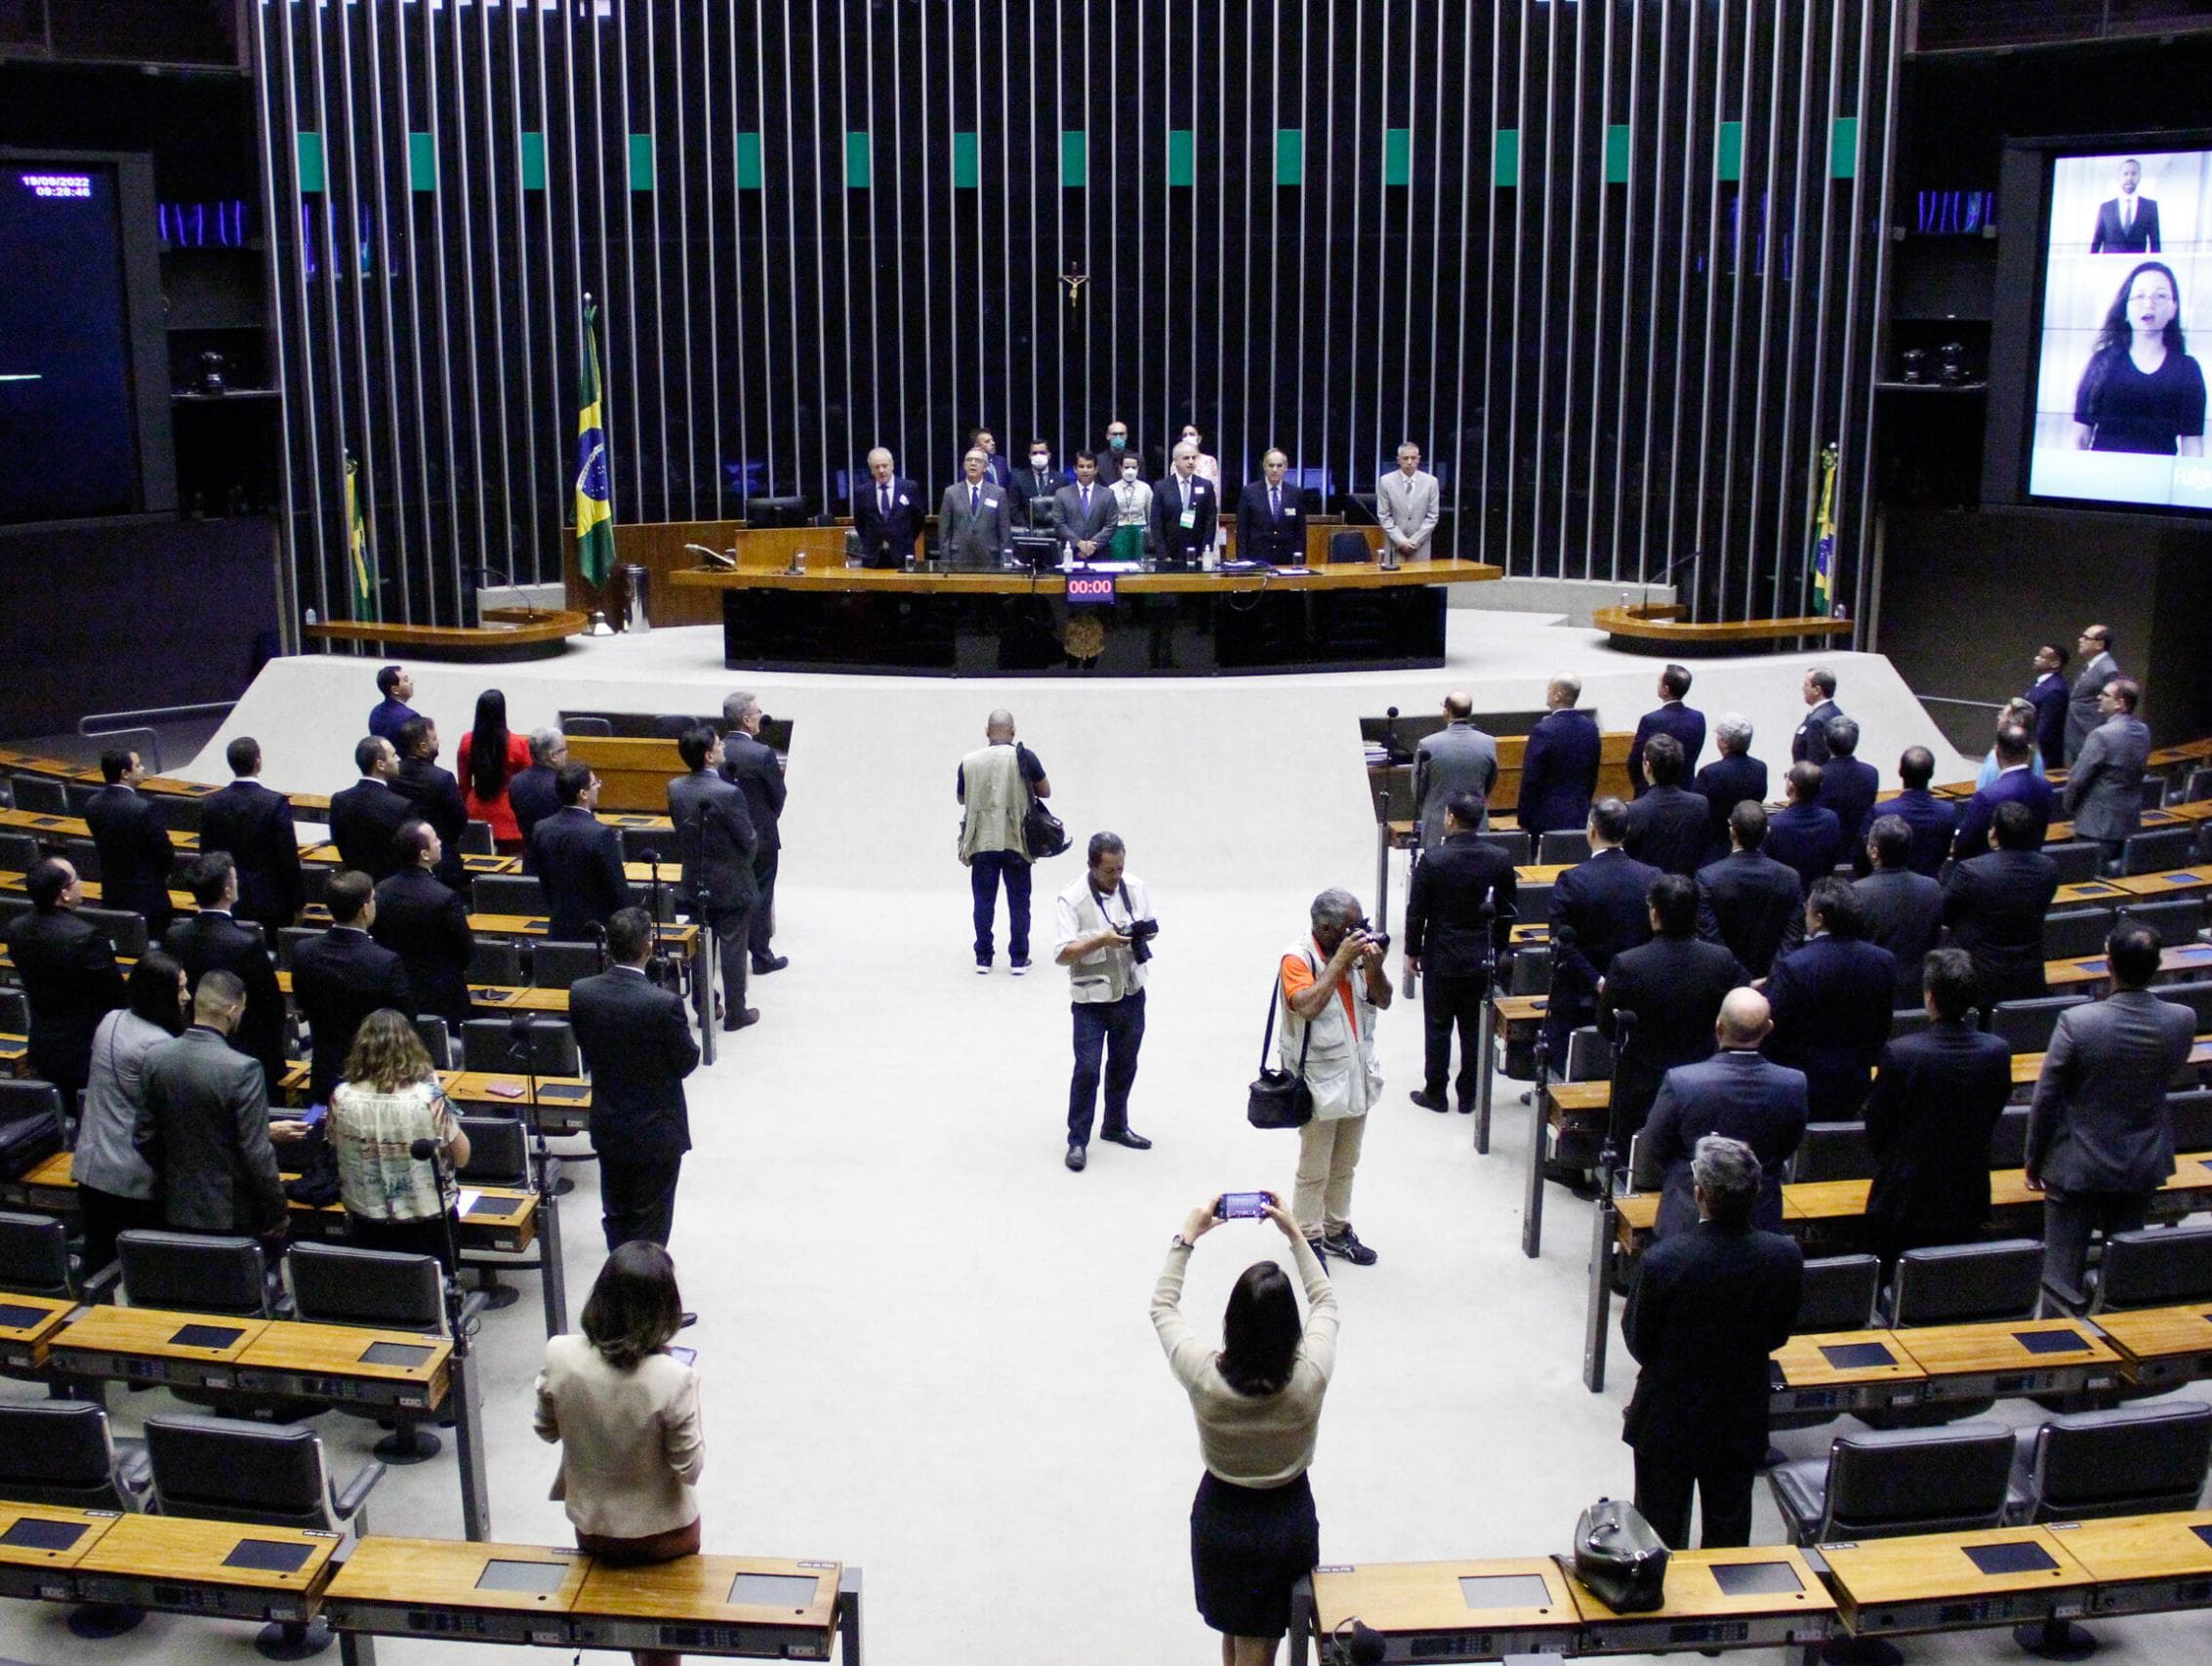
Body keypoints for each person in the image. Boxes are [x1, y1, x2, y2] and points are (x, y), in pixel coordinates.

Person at [1151, 1194, 1335, 1664]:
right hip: (1282, 1521)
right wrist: (1296, 1233)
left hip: (1221, 1518)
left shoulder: (1204, 1376)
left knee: (1237, 1636)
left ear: (1232, 1323)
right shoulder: (1310, 1374)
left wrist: (1186, 1237)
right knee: (1257, 1645)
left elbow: (1163, 1308)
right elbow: (1325, 1300)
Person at [1620, 1135, 1802, 1551]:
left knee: (1658, 1534)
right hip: (1739, 1411)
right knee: (1730, 1532)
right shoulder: (1783, 1256)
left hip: (1668, 1414)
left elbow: (1638, 1339)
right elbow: (1778, 1333)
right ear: (1756, 1194)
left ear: (1699, 1194)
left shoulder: (1663, 1260)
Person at [534, 1241, 704, 1666]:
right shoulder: (674, 1378)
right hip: (665, 1535)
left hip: (594, 1529)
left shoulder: (561, 1354)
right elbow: (690, 1467)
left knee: (633, 1618)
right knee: (661, 1639)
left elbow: (545, 1429)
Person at [2028, 922, 2197, 1302]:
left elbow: (2046, 1099)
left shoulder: (2078, 1022)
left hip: (2076, 1165)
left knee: (2060, 1281)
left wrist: (2033, 1160)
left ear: (2109, 964)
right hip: (2140, 1161)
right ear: (2155, 966)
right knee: (2123, 1275)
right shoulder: (2183, 1019)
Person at [1864, 949, 2013, 1269]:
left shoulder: (1900, 1054)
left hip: (1906, 1193)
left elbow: (1877, 1124)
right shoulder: (1997, 1052)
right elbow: (1995, 1108)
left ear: (1929, 996)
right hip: (1967, 1187)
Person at [570, 909, 701, 1251]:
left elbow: (585, 1046)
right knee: (652, 1224)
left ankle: (619, 1296)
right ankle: (649, 1302)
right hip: (656, 1129)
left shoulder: (582, 992)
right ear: (648, 946)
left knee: (616, 1215)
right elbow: (686, 1061)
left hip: (609, 1121)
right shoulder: (663, 1003)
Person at [1633, 989, 1809, 1240]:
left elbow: (1653, 1148)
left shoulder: (1682, 1081)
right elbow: (1787, 1145)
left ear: (1718, 1027)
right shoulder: (1793, 1083)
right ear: (1768, 1028)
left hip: (1689, 1211)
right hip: (1759, 1213)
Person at [137, 970, 289, 1251]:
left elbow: (144, 1135)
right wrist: (277, 1210)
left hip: (173, 1201)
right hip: (232, 1210)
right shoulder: (243, 1069)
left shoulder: (156, 1057)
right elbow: (256, 1153)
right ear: (232, 1010)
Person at [1280, 890, 1393, 1266]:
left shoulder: (1359, 958)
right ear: (1326, 930)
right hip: (1318, 1082)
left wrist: (1374, 968)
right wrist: (1340, 962)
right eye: (1352, 928)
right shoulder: (1297, 959)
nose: (1360, 934)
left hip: (1357, 1076)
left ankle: (1336, 1230)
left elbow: (1385, 999)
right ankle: (1307, 1238)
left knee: (1346, 1162)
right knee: (1314, 1168)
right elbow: (1308, 1005)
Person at [1598, 875, 1746, 1153]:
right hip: (1702, 1074)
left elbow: (1607, 1026)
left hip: (1641, 1081)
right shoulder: (1722, 960)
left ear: (1654, 913)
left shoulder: (1627, 964)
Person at [1404, 793, 1518, 1115]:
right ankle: (1469, 1094)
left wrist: (1412, 951)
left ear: (1450, 818)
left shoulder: (1433, 859)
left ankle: (1435, 1091)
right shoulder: (1500, 858)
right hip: (1482, 955)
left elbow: (1417, 913)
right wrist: (1499, 945)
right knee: (1473, 1028)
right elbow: (1508, 910)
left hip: (1442, 953)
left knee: (1438, 1025)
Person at [330, 1009, 470, 1270]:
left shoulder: (341, 1097)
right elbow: (462, 1157)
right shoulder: (428, 1099)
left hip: (366, 1218)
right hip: (427, 1221)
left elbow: (336, 1143)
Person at [76, 952, 186, 1274]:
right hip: (134, 1179)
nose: (187, 997)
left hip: (92, 1166)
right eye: (180, 989)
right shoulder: (161, 1047)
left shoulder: (109, 1020)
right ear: (160, 994)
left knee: (97, 1262)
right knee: (146, 1271)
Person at [1053, 833, 1156, 1169]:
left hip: (1130, 992)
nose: (1116, 877)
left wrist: (1141, 933)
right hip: (1091, 1002)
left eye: (1120, 869)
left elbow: (1151, 926)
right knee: (1087, 1070)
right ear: (1092, 866)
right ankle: (1077, 1140)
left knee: (1125, 1064)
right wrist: (1101, 940)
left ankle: (1115, 1125)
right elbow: (1062, 954)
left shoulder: (1135, 887)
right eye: (1109, 871)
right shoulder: (1072, 899)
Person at [1764, 877, 1898, 1124]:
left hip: (1801, 1081)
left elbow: (1773, 1030)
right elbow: (1882, 1026)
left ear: (1819, 918)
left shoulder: (1793, 967)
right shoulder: (1883, 961)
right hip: (1856, 1079)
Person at [1, 858, 124, 1114]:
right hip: (85, 1045)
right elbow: (114, 997)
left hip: (43, 1039)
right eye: (76, 880)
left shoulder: (15, 929)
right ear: (64, 894)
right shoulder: (87, 937)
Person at [1544, 798, 1660, 1069]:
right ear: (1626, 831)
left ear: (1592, 830)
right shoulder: (1652, 877)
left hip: (1580, 989)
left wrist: (1598, 981)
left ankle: (1552, 1085)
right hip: (1635, 985)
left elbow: (1561, 943)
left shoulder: (1572, 880)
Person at [164, 853, 287, 1094]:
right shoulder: (246, 945)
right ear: (228, 891)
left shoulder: (174, 937)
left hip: (191, 1041)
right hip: (242, 1047)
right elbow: (271, 1006)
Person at [292, 870, 416, 1108]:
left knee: (326, 1136)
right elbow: (406, 1019)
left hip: (326, 1074)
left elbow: (303, 1005)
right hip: (376, 1078)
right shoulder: (385, 961)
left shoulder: (304, 952)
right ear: (365, 908)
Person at [669, 723, 759, 1034]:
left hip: (694, 879)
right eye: (719, 744)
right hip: (731, 881)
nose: (724, 747)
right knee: (733, 948)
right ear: (708, 756)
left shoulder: (675, 788)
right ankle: (737, 1011)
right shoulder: (729, 793)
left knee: (700, 949)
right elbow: (747, 841)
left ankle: (705, 1006)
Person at [2069, 261, 2204, 456]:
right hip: (2101, 480)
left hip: (2160, 482)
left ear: (2173, 309)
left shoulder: (2188, 370)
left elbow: (2192, 445)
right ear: (2125, 308)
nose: (2149, 303)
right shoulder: (2102, 363)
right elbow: (2079, 437)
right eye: (2140, 296)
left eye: (2160, 296)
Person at [1943, 799, 2064, 1011]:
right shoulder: (2049, 868)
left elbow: (1945, 913)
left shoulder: (1971, 870)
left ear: (1994, 833)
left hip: (1979, 972)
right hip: (2029, 970)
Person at [956, 711, 1048, 973]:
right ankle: (1019, 959)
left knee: (983, 901)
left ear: (987, 731)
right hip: (1016, 840)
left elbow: (961, 798)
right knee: (1019, 902)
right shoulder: (1025, 756)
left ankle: (983, 958)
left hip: (982, 840)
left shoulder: (968, 761)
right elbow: (1046, 791)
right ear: (1013, 731)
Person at [370, 821, 476, 1030]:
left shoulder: (381, 890)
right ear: (424, 855)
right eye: (435, 839)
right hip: (441, 991)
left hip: (395, 985)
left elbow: (377, 936)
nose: (440, 842)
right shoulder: (445, 897)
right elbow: (466, 950)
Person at [199, 736, 304, 933]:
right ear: (258, 762)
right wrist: (298, 902)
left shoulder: (212, 803)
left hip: (226, 897)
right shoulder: (275, 803)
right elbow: (287, 857)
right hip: (270, 901)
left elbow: (206, 853)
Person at [718, 692, 787, 975]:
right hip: (761, 835)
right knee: (761, 892)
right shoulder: (762, 754)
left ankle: (731, 950)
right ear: (747, 720)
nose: (761, 716)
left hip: (727, 836)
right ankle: (761, 956)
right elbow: (778, 795)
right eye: (758, 712)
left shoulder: (717, 749)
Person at [1695, 803, 1806, 979]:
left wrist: (1740, 979)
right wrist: (1772, 979)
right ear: (1767, 832)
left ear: (1731, 831)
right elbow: (1793, 937)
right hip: (1774, 979)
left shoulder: (1708, 877)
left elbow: (1710, 937)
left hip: (1726, 979)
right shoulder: (1790, 877)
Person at [528, 763, 634, 944]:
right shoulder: (600, 834)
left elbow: (544, 881)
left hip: (559, 926)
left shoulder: (541, 828)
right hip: (596, 931)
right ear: (583, 794)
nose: (599, 786)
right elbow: (617, 890)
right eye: (594, 783)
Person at [1853, 816, 1945, 1007]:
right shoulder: (1932, 888)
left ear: (1874, 852)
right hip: (1920, 993)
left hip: (1872, 994)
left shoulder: (1856, 893)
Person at [83, 747, 177, 935]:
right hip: (148, 897)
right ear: (125, 773)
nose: (143, 769)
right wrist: (164, 873)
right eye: (138, 765)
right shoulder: (143, 809)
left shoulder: (92, 804)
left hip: (112, 891)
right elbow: (164, 851)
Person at [2066, 676, 2152, 870]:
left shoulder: (2102, 735)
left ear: (2120, 704)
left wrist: (2069, 807)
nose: (2099, 697)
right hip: (2128, 821)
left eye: (2105, 695)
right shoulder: (2143, 730)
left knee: (2085, 880)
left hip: (2096, 826)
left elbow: (2077, 779)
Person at [1853, 747, 1956, 879]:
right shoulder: (1948, 812)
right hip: (1930, 886)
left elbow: (1861, 857)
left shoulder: (1880, 812)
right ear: (1931, 773)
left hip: (1886, 886)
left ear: (1900, 772)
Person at [1952, 722, 2053, 859]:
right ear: (2028, 752)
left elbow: (1964, 844)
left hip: (1989, 871)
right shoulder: (2045, 786)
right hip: (2032, 867)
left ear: (1997, 753)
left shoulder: (1986, 795)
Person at [1518, 675, 1601, 837]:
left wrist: (1524, 818)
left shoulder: (1543, 730)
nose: (1547, 693)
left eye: (1549, 689)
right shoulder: (1590, 728)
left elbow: (1531, 778)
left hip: (1547, 817)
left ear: (1558, 695)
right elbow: (1592, 774)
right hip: (1581, 812)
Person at [390, 716, 470, 888]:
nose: (438, 741)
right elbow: (460, 818)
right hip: (441, 856)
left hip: (401, 856)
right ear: (423, 746)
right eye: (434, 738)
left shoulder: (393, 776)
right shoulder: (443, 778)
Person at [1412, 692, 1497, 847]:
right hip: (1476, 824)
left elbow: (1418, 789)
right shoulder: (1488, 742)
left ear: (1446, 711)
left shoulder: (1428, 744)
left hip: (1438, 823)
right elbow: (1490, 782)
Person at [1621, 735, 1710, 877]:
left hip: (1649, 891)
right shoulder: (1700, 805)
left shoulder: (1634, 811)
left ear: (1648, 767)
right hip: (1687, 888)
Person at [459, 688, 533, 853]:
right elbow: (527, 786)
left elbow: (463, 785)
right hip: (510, 819)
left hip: (476, 814)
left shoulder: (467, 741)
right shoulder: (519, 744)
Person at [330, 736, 412, 881]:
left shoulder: (339, 800)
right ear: (380, 764)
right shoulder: (401, 806)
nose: (398, 759)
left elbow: (338, 840)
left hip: (354, 884)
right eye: (393, 755)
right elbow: (407, 852)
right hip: (389, 886)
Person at [1691, 712, 1770, 863]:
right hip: (1752, 844)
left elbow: (1697, 813)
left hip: (1715, 848)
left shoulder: (1710, 773)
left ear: (1724, 742)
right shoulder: (1761, 768)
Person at [1764, 763, 1845, 895]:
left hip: (1787, 895)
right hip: (1821, 894)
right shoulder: (1832, 819)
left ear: (1791, 787)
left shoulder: (1774, 824)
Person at [937, 448, 1014, 570]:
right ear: (964, 465)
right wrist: (945, 562)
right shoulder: (951, 492)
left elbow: (1004, 531)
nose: (973, 463)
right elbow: (944, 532)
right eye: (969, 460)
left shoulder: (998, 493)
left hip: (989, 557)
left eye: (978, 460)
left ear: (985, 467)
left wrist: (1006, 562)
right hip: (958, 558)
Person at [852, 447, 924, 568]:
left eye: (885, 466)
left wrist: (904, 539)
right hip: (873, 558)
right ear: (871, 470)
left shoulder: (909, 487)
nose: (881, 470)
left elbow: (918, 519)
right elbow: (860, 522)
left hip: (902, 556)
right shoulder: (862, 492)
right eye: (877, 467)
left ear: (892, 466)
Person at [1235, 449, 1308, 566]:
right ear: (1264, 467)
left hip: (1287, 560)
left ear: (1285, 467)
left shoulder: (1295, 493)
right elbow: (1242, 532)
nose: (1275, 470)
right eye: (1271, 465)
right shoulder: (1249, 492)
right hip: (1257, 559)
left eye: (1279, 466)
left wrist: (1300, 562)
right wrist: (1243, 562)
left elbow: (1300, 533)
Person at [1813, 718, 1880, 845]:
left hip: (1827, 845)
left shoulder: (1818, 776)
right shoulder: (1871, 773)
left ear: (1825, 741)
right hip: (1860, 845)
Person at [1152, 442, 1218, 568]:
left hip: (1198, 551)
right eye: (1186, 458)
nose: (1191, 462)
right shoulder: (1161, 487)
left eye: (1194, 458)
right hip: (1170, 553)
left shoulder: (1206, 485)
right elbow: (1156, 523)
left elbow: (1210, 522)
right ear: (1176, 461)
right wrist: (1163, 555)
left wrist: (1205, 552)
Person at [1375, 440, 1441, 562]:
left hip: (1420, 546)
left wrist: (1415, 541)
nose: (1409, 462)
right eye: (1405, 458)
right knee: (1395, 580)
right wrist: (1402, 541)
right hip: (1396, 546)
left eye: (1413, 458)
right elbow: (1384, 515)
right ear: (1398, 460)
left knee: (1419, 580)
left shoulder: (1431, 482)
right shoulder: (1386, 481)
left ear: (1419, 459)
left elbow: (1432, 516)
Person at [2066, 625, 2121, 764]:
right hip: (2077, 733)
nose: (2080, 640)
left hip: (2089, 733)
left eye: (2086, 638)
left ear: (2100, 644)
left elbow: (2112, 705)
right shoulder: (2090, 665)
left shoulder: (2108, 670)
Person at [1051, 452, 1120, 564]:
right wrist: (1079, 543)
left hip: (1100, 554)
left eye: (1089, 466)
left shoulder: (1108, 494)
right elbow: (1059, 524)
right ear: (1075, 469)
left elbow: (1111, 525)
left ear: (1096, 469)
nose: (1085, 470)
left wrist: (1091, 545)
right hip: (1071, 553)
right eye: (1081, 466)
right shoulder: (1061, 494)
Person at [1973, 700, 2050, 791]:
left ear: (2013, 725)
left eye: (2002, 715)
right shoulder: (2037, 756)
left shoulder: (1995, 759)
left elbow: (1982, 791)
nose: (1998, 717)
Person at [2090, 157, 2160, 254]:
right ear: (2119, 177)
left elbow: (2155, 244)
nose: (2129, 178)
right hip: (2109, 265)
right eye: (2125, 174)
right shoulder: (2106, 208)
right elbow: (2096, 241)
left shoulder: (2150, 206)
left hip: (2137, 265)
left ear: (2139, 177)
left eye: (2133, 173)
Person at [510, 728, 568, 845]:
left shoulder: (516, 781)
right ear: (553, 756)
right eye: (563, 750)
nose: (567, 753)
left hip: (530, 853)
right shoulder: (562, 784)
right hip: (559, 853)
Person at [2025, 642, 2071, 773]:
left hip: (2043, 758)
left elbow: (2046, 729)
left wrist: (2029, 753)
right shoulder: (2042, 684)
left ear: (2055, 663)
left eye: (2042, 657)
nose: (2036, 658)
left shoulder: (2055, 690)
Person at [1790, 669, 1842, 766]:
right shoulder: (1835, 711)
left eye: (1806, 685)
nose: (1803, 689)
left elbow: (1815, 762)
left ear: (1817, 690)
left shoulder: (1817, 721)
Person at [1109, 451, 1154, 559]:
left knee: (1138, 564)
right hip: (1119, 531)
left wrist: (1151, 536)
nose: (1130, 470)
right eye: (1126, 467)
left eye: (1133, 467)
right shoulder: (1112, 489)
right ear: (1120, 468)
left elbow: (1150, 513)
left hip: (1139, 531)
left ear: (1138, 468)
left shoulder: (1145, 488)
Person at [1010, 438, 1068, 521]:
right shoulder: (1019, 479)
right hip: (1028, 528)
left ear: (1049, 455)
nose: (1038, 456)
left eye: (1042, 453)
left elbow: (1066, 507)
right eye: (1034, 453)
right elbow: (1013, 507)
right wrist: (1026, 527)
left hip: (1054, 530)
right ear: (1029, 456)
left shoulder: (1061, 479)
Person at [368, 665, 419, 745]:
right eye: (406, 680)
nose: (411, 682)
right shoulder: (411, 717)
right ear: (395, 690)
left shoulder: (375, 712)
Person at [962, 426, 1012, 490]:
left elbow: (1008, 486)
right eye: (987, 441)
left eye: (992, 440)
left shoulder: (1001, 462)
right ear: (976, 446)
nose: (993, 443)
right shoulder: (969, 465)